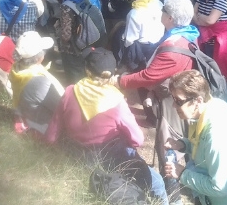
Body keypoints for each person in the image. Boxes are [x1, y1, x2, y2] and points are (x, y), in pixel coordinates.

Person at [45, 48, 168, 204]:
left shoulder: (70, 91)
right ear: (111, 74)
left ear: (86, 69)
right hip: (113, 157)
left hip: (79, 156)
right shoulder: (115, 100)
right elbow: (138, 139)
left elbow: (51, 135)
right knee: (157, 182)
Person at [114, 0, 199, 200]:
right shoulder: (189, 35)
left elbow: (149, 75)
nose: (160, 14)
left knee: (169, 147)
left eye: (163, 12)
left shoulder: (172, 47)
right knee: (184, 143)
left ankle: (172, 195)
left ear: (170, 18)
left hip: (172, 104)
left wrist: (120, 81)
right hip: (180, 97)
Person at [164, 70, 227, 205]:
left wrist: (183, 174)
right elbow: (204, 146)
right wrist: (183, 144)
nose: (173, 105)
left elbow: (219, 188)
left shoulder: (217, 134)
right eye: (173, 99)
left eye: (178, 101)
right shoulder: (211, 107)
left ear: (198, 100)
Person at [55, 0, 107, 83]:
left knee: (76, 78)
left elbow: (66, 36)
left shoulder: (66, 7)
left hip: (74, 51)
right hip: (88, 43)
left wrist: (57, 28)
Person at [9, 31, 64, 134]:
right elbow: (61, 107)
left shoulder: (16, 68)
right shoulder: (40, 82)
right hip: (43, 127)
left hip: (25, 112)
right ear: (39, 58)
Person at [119, 0, 165, 72]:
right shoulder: (157, 2)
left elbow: (129, 40)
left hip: (143, 50)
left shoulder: (134, 14)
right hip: (159, 43)